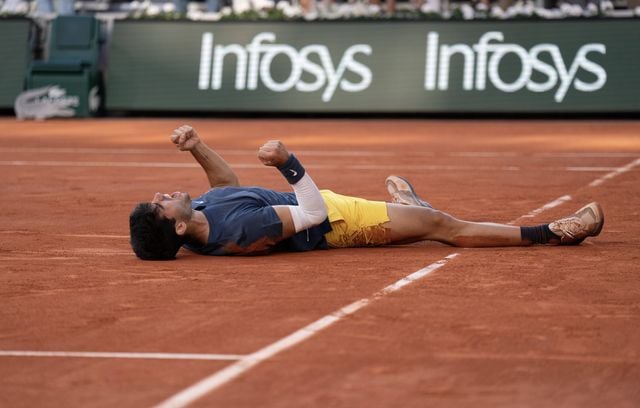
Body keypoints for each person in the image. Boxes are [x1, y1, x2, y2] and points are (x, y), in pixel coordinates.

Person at [129, 125, 604, 260]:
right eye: (159, 203)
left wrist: (197, 147)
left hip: (330, 207)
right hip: (340, 224)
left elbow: (227, 187)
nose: (160, 193)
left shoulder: (208, 213)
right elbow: (312, 212)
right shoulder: (240, 229)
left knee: (423, 219)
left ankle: (411, 209)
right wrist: (288, 163)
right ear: (175, 223)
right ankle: (554, 233)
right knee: (442, 228)